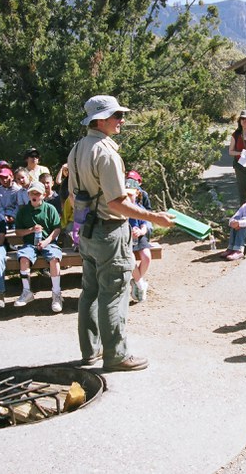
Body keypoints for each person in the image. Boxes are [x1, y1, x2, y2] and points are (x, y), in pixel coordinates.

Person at [68, 95, 174, 372]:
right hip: (109, 232)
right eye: (116, 116)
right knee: (113, 293)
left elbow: (73, 195)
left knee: (89, 292)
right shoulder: (106, 152)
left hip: (87, 232)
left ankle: (90, 351)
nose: (121, 120)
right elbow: (117, 203)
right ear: (100, 120)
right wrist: (155, 217)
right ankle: (116, 356)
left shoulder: (78, 148)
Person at [13, 181, 63, 312]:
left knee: (54, 259)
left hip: (49, 243)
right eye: (31, 193)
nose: (34, 195)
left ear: (44, 195)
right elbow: (18, 232)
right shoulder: (23, 211)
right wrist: (30, 230)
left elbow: (57, 229)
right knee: (23, 258)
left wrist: (46, 241)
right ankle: (26, 291)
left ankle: (56, 294)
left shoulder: (50, 209)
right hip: (29, 244)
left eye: (37, 193)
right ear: (28, 194)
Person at [127, 182, 152, 303]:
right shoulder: (121, 207)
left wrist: (141, 231)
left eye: (130, 194)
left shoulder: (139, 207)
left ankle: (136, 280)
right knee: (130, 258)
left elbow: (145, 224)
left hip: (139, 237)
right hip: (125, 238)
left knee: (147, 257)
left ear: (137, 193)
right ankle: (140, 285)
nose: (128, 197)